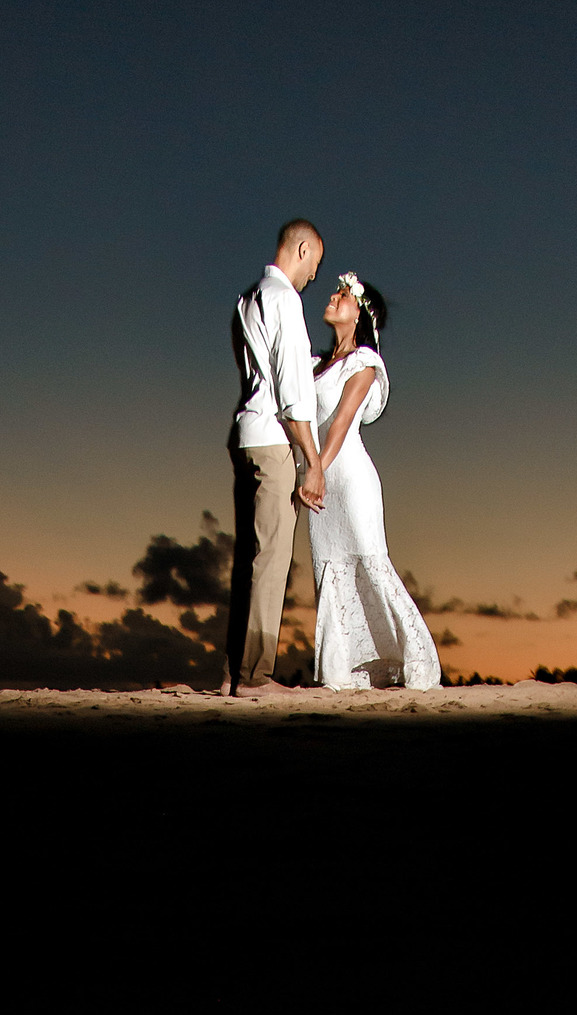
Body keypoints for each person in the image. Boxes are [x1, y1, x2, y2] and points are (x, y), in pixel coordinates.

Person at [307, 272, 441, 690]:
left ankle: (410, 660)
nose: (333, 297)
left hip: (347, 480)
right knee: (329, 571)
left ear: (360, 315)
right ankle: (341, 672)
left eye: (343, 295)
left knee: (369, 562)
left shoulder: (364, 363)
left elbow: (342, 423)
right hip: (317, 478)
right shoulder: (313, 365)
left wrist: (316, 470)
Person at [226, 219, 327, 696]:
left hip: (244, 435)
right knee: (271, 560)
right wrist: (313, 459)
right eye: (316, 265)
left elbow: (268, 369)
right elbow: (290, 395)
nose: (314, 277)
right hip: (272, 438)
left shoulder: (248, 298)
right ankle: (254, 675)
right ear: (302, 249)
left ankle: (234, 669)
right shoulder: (286, 298)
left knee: (248, 555)